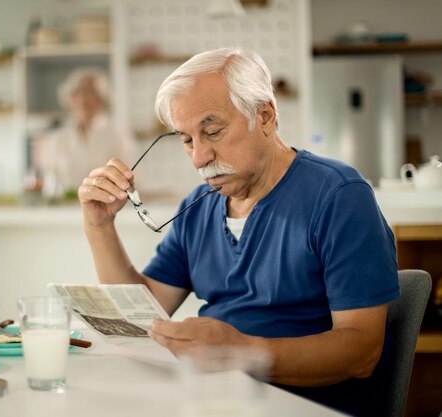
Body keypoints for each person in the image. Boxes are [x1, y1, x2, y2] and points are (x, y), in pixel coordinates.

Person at [77, 47, 399, 417]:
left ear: (264, 116)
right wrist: (98, 225)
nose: (199, 158)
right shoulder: (199, 206)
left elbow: (362, 352)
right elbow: (137, 318)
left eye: (212, 131)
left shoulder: (338, 196)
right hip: (215, 401)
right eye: (186, 140)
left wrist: (242, 351)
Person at [34, 67, 136, 198]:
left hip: (106, 208)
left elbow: (131, 181)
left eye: (91, 93)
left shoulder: (119, 137)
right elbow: (48, 181)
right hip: (63, 211)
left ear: (103, 99)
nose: (83, 98)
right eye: (78, 92)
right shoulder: (56, 139)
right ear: (69, 98)